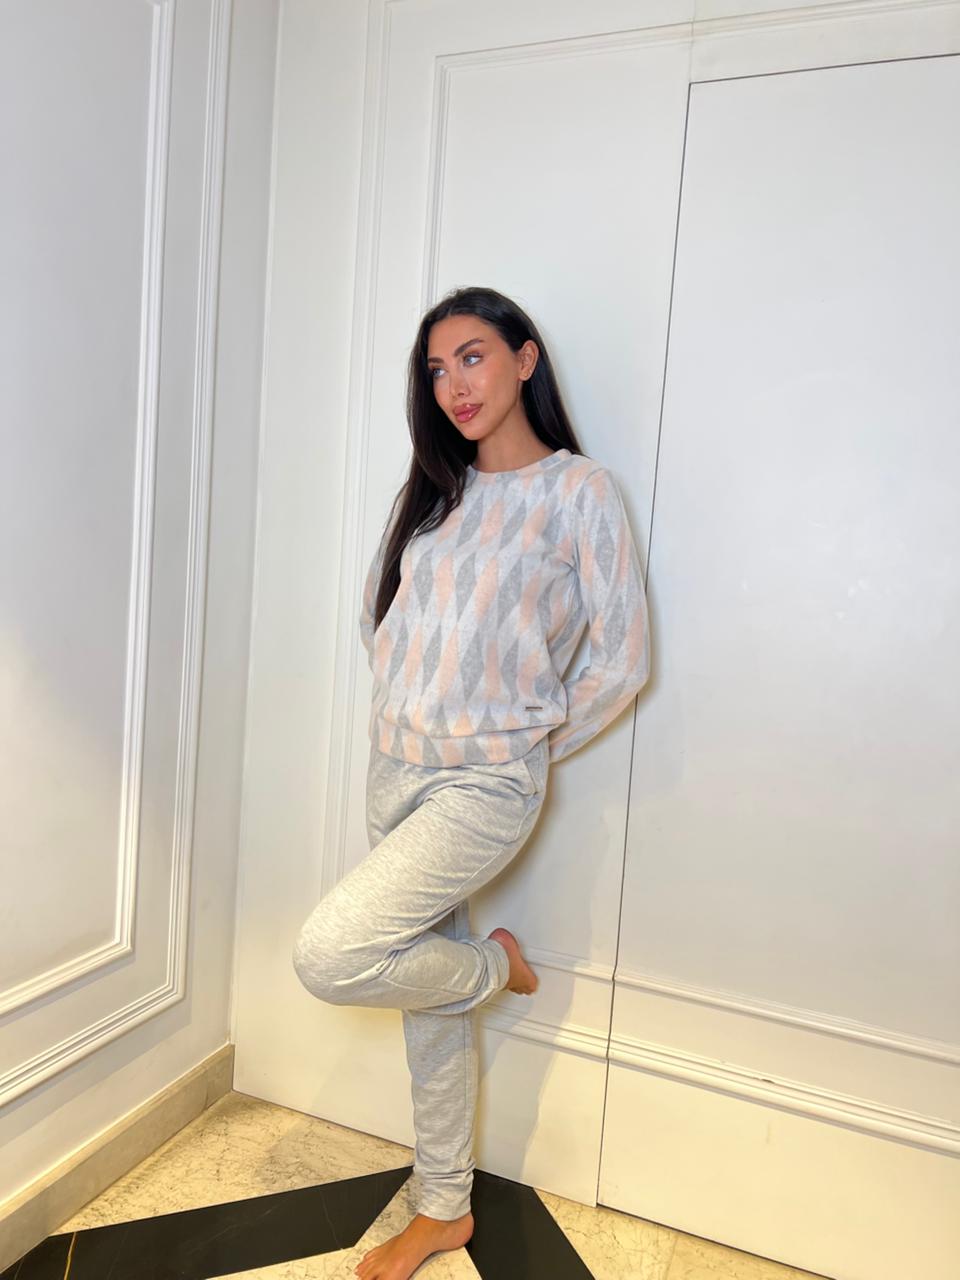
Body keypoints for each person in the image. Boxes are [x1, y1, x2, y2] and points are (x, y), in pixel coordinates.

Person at [292, 285, 651, 1280]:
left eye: (475, 356)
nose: (454, 382)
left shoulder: (580, 492)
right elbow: (383, 623)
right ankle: (444, 1209)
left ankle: (501, 965)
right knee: (426, 1004)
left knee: (332, 951)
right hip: (393, 770)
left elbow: (622, 658)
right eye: (437, 367)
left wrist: (522, 743)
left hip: (482, 786)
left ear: (526, 359)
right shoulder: (434, 491)